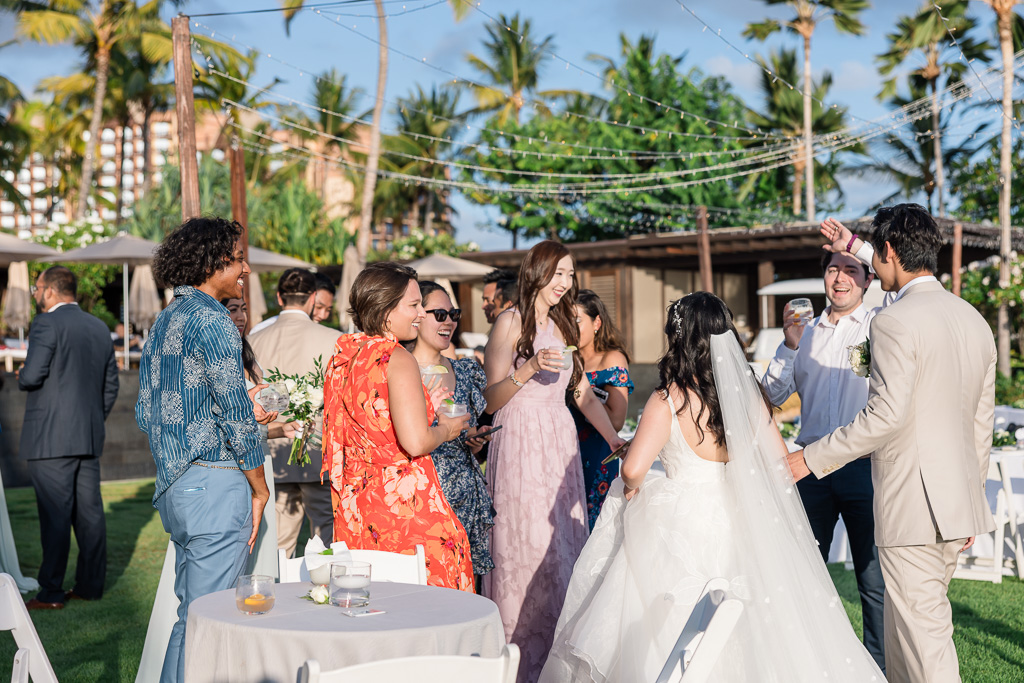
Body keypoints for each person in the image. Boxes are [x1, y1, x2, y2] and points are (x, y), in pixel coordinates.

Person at [541, 293, 885, 682]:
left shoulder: (669, 397)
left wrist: (633, 482)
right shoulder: (749, 395)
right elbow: (779, 464)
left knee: (657, 621)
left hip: (677, 521)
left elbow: (635, 469)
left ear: (679, 338)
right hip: (739, 517)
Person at [788, 204, 997, 683]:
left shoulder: (894, 321)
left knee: (925, 645)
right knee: (906, 639)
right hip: (953, 506)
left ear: (887, 252)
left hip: (912, 507)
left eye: (874, 255)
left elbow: (884, 417)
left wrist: (808, 458)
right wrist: (970, 495)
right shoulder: (973, 320)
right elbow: (979, 425)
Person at [136, 216, 276, 683]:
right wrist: (259, 489)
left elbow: (143, 410)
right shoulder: (214, 319)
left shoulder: (165, 319)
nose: (245, 270)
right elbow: (237, 415)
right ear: (213, 262)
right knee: (211, 621)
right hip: (214, 483)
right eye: (238, 259)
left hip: (175, 487)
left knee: (192, 618)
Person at [482, 240, 625, 683]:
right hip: (520, 437)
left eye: (570, 274)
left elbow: (581, 393)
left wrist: (614, 438)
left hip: (558, 439)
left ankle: (560, 665)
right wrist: (525, 371)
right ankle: (516, 661)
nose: (565, 283)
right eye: (558, 273)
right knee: (521, 544)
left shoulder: (564, 324)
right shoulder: (510, 321)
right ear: (536, 272)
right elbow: (491, 398)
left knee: (561, 547)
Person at [761, 248, 886, 671]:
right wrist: (788, 345)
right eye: (834, 268)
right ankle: (803, 661)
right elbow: (770, 397)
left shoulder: (879, 326)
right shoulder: (806, 332)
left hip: (866, 466)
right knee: (802, 570)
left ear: (867, 280)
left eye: (852, 270)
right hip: (810, 467)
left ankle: (877, 668)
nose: (840, 277)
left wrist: (860, 245)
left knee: (873, 578)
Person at [321, 262, 474, 590]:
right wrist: (447, 428)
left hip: (358, 502)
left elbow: (369, 422)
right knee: (429, 601)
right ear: (388, 311)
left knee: (373, 602)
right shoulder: (397, 358)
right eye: (414, 305)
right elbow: (416, 442)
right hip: (403, 507)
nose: (421, 313)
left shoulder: (348, 356)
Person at [19, 266, 118, 610]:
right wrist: (91, 421)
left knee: (55, 516)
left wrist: (21, 373)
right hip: (87, 437)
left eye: (36, 288)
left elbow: (32, 376)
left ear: (49, 291)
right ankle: (90, 587)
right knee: (90, 515)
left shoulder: (46, 323)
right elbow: (111, 386)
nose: (34, 294)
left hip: (50, 439)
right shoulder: (99, 327)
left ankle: (51, 592)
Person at [404, 280, 496, 580]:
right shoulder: (400, 372)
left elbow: (465, 429)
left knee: (465, 584)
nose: (450, 322)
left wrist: (474, 441)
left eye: (453, 314)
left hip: (465, 495)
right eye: (440, 314)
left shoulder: (465, 370)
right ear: (418, 315)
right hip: (423, 495)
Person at [249, 268, 341, 558]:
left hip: (272, 454)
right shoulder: (334, 339)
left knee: (279, 546)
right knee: (326, 539)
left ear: (279, 297)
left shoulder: (254, 338)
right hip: (318, 452)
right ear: (313, 298)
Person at [570, 289, 633, 530]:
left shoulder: (612, 359)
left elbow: (617, 420)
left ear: (596, 322)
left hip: (598, 452)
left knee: (594, 526)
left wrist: (585, 394)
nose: (571, 328)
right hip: (564, 450)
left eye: (577, 320)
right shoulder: (563, 359)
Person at [249, 271, 337, 334]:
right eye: (318, 307)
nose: (323, 315)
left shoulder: (323, 334)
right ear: (310, 298)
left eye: (328, 309)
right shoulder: (262, 330)